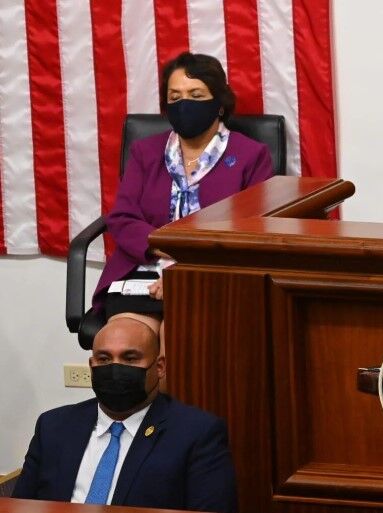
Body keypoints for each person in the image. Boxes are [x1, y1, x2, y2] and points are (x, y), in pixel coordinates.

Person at [92, 51, 275, 335]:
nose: (184, 104)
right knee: (120, 343)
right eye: (175, 97)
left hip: (212, 276)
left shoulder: (251, 155)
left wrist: (186, 266)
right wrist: (162, 247)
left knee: (176, 339)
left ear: (219, 104)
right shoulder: (146, 152)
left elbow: (251, 230)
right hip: (142, 270)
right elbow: (123, 216)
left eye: (196, 95)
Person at [13, 317, 237, 512]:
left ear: (159, 367)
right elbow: (19, 506)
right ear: (92, 366)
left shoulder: (197, 433)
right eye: (104, 359)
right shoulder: (53, 426)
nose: (115, 368)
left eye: (130, 359)